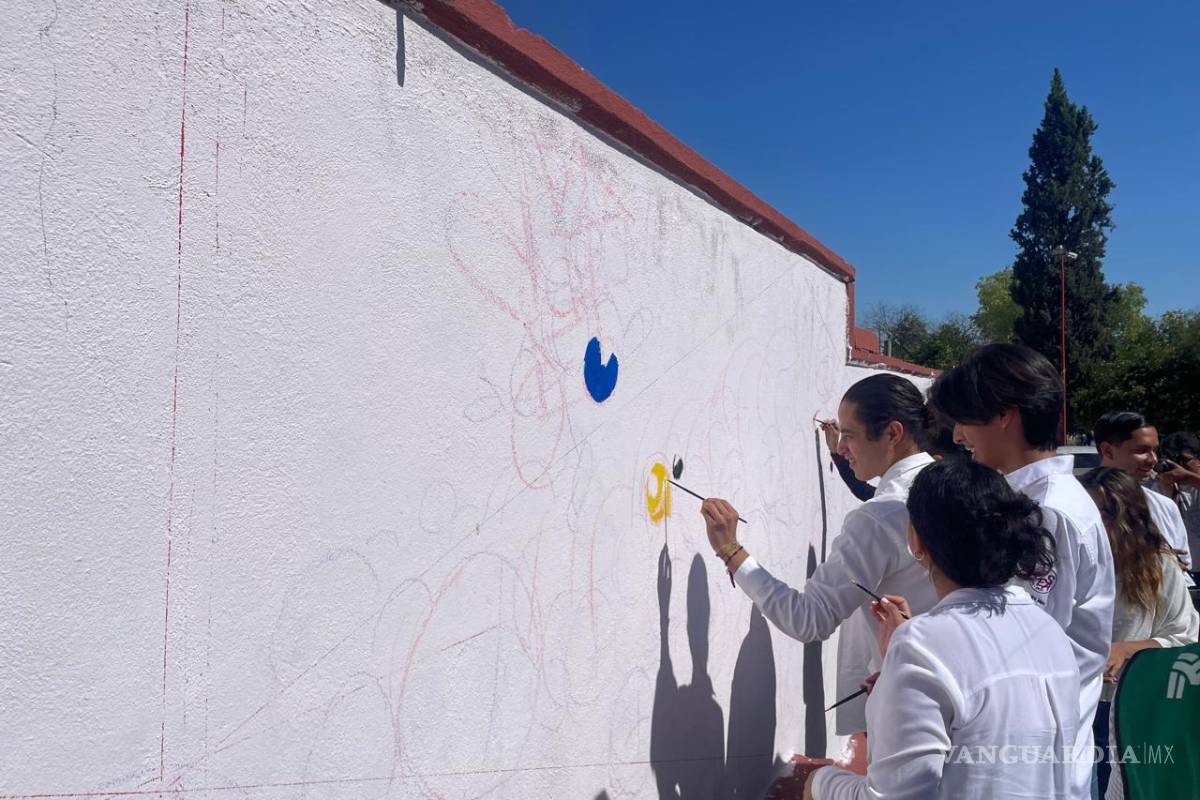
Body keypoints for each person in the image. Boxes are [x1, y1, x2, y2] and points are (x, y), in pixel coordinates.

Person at [793, 458, 1081, 798]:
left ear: (916, 542)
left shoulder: (922, 644)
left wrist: (819, 783)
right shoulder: (1047, 630)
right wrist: (896, 676)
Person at [702, 374, 937, 736]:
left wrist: (731, 550)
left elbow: (808, 619)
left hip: (914, 712)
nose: (842, 446)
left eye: (850, 435)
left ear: (893, 433)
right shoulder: (953, 483)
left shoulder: (881, 517)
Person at [929, 343, 1114, 797]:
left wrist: (923, 656)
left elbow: (1017, 646)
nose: (957, 437)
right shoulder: (1039, 501)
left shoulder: (1046, 512)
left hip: (1032, 766)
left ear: (1004, 415)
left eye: (964, 420)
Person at [1077, 468, 1199, 797]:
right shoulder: (1069, 561)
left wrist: (1126, 649)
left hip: (1126, 707)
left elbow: (1185, 637)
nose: (1091, 523)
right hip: (1073, 703)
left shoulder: (1158, 567)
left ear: (1128, 515)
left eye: (1101, 513)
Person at [1093, 411, 1192, 581]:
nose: (1153, 459)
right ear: (1108, 451)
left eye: (1155, 450)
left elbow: (1182, 566)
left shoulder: (1165, 507)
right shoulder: (1081, 505)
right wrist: (1156, 561)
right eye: (1142, 450)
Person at [1153, 431, 1200, 585]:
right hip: (1182, 573)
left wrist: (1189, 477)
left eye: (1184, 460)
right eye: (1173, 460)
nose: (1178, 467)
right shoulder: (1159, 488)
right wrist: (1168, 491)